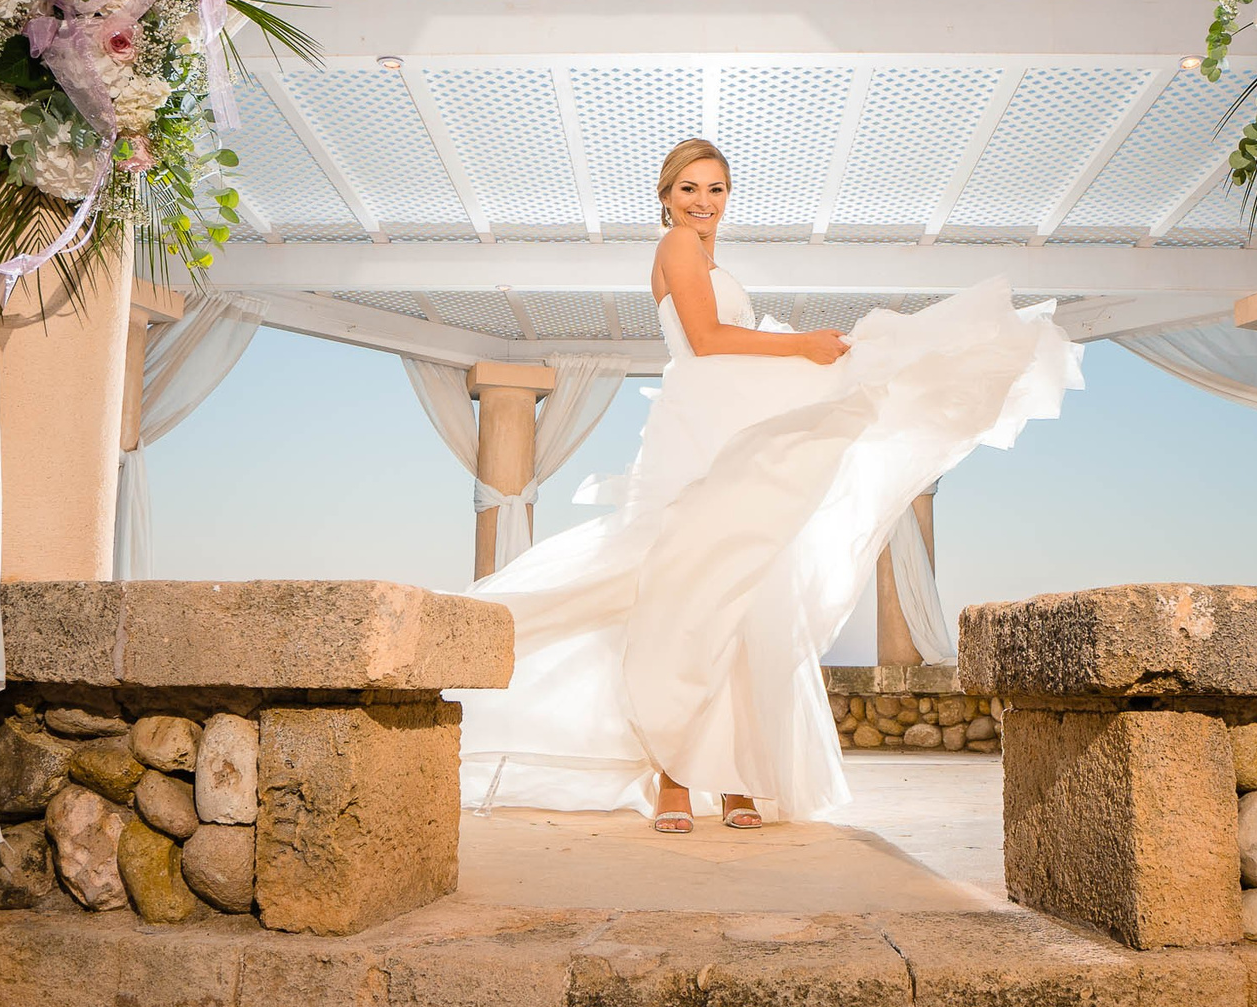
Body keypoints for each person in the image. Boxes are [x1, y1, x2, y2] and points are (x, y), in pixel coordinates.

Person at [452, 139, 1080, 832]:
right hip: (695, 432)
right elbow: (708, 337)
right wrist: (801, 346)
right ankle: (673, 778)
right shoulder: (677, 250)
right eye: (688, 188)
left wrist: (813, 358)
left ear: (728, 196)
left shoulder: (711, 257)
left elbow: (729, 345)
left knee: (742, 594)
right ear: (665, 196)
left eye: (715, 189)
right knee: (683, 590)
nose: (702, 201)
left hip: (726, 417)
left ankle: (736, 775)